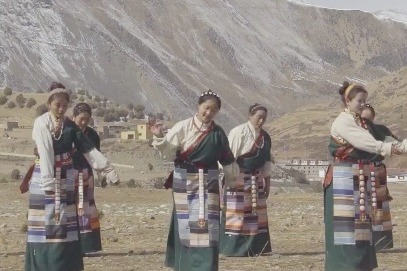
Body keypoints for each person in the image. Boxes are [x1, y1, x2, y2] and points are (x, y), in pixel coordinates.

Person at [25, 88, 119, 271]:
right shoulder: (41, 123)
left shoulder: (69, 125)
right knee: (44, 224)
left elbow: (87, 148)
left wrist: (108, 169)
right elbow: (44, 152)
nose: (61, 109)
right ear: (49, 104)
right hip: (44, 178)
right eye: (57, 105)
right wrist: (48, 181)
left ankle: (63, 265)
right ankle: (42, 264)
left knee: (64, 223)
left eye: (64, 105)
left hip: (66, 176)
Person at [150, 90, 238, 271]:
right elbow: (168, 152)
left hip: (209, 183)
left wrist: (233, 181)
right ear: (199, 106)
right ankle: (185, 264)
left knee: (208, 223)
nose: (209, 113)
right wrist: (159, 137)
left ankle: (206, 265)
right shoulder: (183, 127)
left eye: (213, 110)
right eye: (206, 108)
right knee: (185, 222)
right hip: (184, 181)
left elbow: (227, 159)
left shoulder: (218, 133)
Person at [324, 81, 405, 271]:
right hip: (343, 179)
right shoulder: (343, 122)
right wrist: (388, 148)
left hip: (360, 177)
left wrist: (400, 146)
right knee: (345, 228)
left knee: (361, 225)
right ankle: (344, 266)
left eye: (364, 101)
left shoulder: (362, 123)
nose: (362, 104)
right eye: (359, 101)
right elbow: (367, 143)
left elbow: (384, 137)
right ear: (348, 101)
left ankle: (360, 264)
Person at [219, 103, 272, 256]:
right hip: (237, 178)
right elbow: (228, 158)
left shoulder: (266, 137)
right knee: (236, 214)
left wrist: (267, 183)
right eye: (258, 117)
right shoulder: (239, 132)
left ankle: (254, 249)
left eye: (264, 118)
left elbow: (267, 162)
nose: (261, 121)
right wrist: (230, 180)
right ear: (250, 116)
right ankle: (232, 249)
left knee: (255, 215)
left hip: (257, 180)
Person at [361, 104, 399, 250]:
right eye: (364, 119)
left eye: (370, 119)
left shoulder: (381, 130)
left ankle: (381, 242)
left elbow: (396, 144)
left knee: (379, 205)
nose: (367, 123)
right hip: (359, 171)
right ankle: (361, 242)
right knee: (361, 205)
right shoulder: (353, 131)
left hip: (377, 171)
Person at [72, 102, 106, 254]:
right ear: (74, 117)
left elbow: (96, 156)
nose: (84, 122)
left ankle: (87, 246)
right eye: (81, 119)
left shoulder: (92, 135)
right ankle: (70, 246)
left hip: (86, 175)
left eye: (87, 119)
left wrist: (103, 174)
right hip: (68, 175)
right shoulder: (67, 132)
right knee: (70, 209)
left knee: (86, 209)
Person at [20, 82, 67, 193]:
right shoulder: (42, 120)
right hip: (44, 168)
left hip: (63, 168)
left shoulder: (67, 122)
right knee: (42, 205)